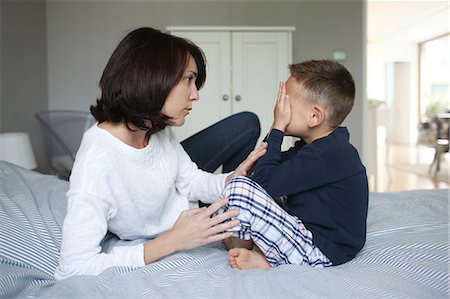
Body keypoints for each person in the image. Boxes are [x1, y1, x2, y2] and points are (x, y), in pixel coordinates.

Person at [54, 27, 266, 280]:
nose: (195, 95)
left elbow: (190, 181)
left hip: (191, 210)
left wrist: (230, 180)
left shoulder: (153, 128)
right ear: (153, 78)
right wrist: (173, 240)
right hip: (176, 227)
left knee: (246, 124)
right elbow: (73, 268)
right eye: (189, 80)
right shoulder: (97, 162)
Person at [219, 59, 369, 270]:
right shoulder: (318, 147)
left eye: (286, 103)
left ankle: (251, 250)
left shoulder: (331, 154)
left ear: (315, 116)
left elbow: (262, 184)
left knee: (238, 188)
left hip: (322, 250)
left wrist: (277, 126)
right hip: (303, 231)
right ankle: (252, 247)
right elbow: (264, 166)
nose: (279, 109)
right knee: (232, 188)